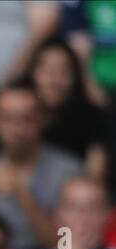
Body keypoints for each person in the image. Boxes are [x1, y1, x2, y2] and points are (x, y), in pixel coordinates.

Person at [0, 81, 84, 249]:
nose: (17, 129)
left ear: (42, 120)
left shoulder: (69, 173)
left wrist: (22, 194)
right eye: (7, 118)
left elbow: (67, 246)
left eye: (26, 118)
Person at [28, 34, 106, 165]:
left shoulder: (93, 121)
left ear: (75, 77)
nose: (53, 80)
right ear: (32, 73)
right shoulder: (18, 114)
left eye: (63, 71)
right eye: (47, 70)